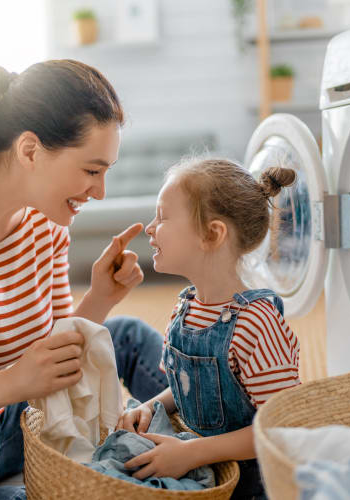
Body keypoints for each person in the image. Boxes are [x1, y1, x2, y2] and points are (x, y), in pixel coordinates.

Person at [0, 60, 168, 499]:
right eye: (91, 171)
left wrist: (100, 298)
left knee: (127, 334)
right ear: (29, 151)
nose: (100, 192)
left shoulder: (46, 222)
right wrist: (10, 383)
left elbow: (53, 352)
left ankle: (222, 445)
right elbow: (23, 376)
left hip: (23, 413)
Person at [116, 158, 301, 499]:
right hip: (199, 469)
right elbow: (188, 386)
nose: (150, 227)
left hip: (252, 484)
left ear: (212, 234)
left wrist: (191, 454)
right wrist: (150, 406)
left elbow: (279, 426)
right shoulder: (185, 307)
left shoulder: (257, 323)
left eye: (163, 216)